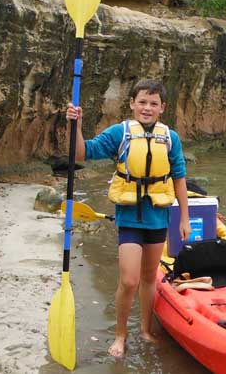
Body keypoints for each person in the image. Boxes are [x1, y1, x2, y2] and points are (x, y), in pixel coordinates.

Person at [66, 78, 190, 357]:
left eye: (153, 103)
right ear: (132, 104)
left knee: (149, 279)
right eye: (142, 102)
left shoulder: (171, 139)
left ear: (162, 108)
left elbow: (180, 179)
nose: (147, 108)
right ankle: (120, 335)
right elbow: (81, 152)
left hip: (158, 218)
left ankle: (145, 330)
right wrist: (74, 124)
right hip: (129, 219)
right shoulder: (119, 133)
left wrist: (184, 218)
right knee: (130, 281)